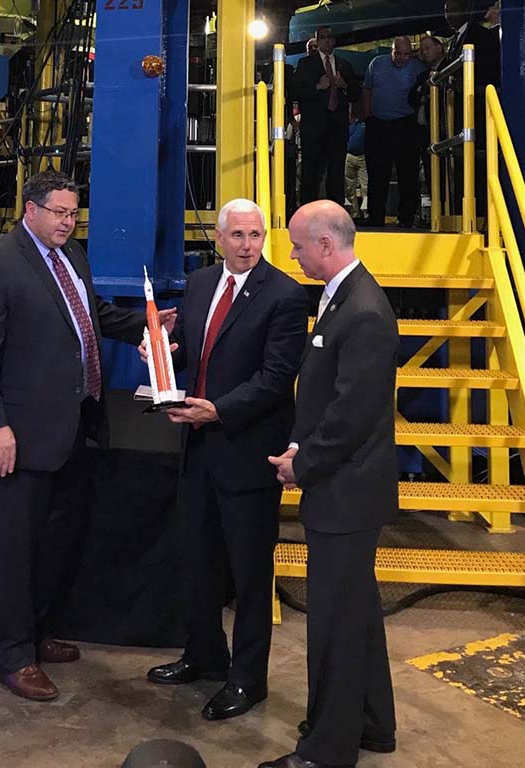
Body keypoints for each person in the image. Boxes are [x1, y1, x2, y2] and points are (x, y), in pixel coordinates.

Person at [0, 170, 174, 701]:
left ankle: (37, 632)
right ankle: (11, 656)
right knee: (13, 548)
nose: (68, 222)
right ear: (30, 210)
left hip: (73, 428)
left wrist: (146, 324)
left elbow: (89, 316)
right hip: (18, 437)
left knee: (56, 543)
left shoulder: (71, 257)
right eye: (59, 212)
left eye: (74, 214)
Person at [144, 199, 309, 721]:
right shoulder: (198, 285)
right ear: (218, 238)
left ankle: (247, 679)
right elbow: (194, 353)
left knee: (251, 575)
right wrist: (164, 355)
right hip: (197, 452)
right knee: (197, 559)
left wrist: (217, 410)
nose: (247, 245)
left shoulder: (284, 294)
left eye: (256, 235)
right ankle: (204, 655)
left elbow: (277, 377)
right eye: (237, 235)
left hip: (247, 453)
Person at [261, 201, 398, 768]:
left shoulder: (361, 310)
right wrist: (300, 442)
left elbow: (352, 413)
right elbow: (328, 394)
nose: (291, 256)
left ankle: (327, 750)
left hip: (345, 490)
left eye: (296, 246)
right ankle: (371, 723)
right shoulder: (343, 295)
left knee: (334, 625)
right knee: (357, 610)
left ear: (324, 245)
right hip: (344, 484)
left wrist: (303, 464)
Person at [443, 0, 501, 218]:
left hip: (476, 110)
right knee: (461, 159)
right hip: (459, 111)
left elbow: (490, 71)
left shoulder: (481, 36)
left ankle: (479, 213)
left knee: (476, 162)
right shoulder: (455, 40)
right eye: (446, 11)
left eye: (453, 10)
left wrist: (472, 86)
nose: (448, 15)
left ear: (467, 11)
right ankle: (462, 210)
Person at [361, 36, 425, 228]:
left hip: (406, 125)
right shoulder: (377, 63)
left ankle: (406, 218)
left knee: (408, 173)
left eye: (407, 54)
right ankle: (375, 217)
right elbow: (367, 89)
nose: (402, 58)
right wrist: (367, 115)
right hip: (378, 124)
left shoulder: (418, 68)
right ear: (391, 50)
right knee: (377, 173)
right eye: (398, 53)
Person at [294, 26, 361, 206]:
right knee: (310, 172)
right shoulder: (305, 64)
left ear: (334, 40)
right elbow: (295, 91)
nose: (326, 41)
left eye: (329, 37)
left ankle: (335, 213)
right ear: (317, 40)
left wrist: (344, 84)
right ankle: (307, 212)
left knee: (336, 173)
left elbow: (356, 94)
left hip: (337, 127)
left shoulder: (344, 65)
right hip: (313, 127)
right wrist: (317, 87)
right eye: (322, 38)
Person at [410, 36, 447, 211]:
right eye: (421, 49)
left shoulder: (450, 68)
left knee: (444, 172)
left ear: (440, 47)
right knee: (431, 171)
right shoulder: (423, 75)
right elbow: (412, 97)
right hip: (425, 131)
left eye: (427, 47)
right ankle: (436, 210)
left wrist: (424, 93)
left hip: (444, 129)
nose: (424, 52)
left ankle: (446, 208)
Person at [343, 111, 366, 219]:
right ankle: (354, 214)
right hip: (348, 156)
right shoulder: (345, 122)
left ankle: (367, 213)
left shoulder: (365, 122)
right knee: (349, 188)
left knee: (366, 187)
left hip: (363, 156)